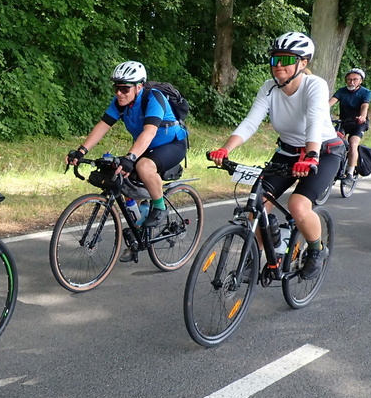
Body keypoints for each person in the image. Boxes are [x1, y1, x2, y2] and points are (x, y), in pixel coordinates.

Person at [207, 31, 343, 280]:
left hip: (323, 152)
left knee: (298, 206)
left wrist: (311, 155)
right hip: (288, 152)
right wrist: (225, 149)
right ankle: (267, 251)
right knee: (255, 206)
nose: (279, 65)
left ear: (303, 63)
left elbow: (314, 122)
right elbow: (250, 123)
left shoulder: (315, 85)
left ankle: (316, 250)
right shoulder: (269, 88)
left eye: (287, 59)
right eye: (275, 59)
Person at [65, 60, 188, 233]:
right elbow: (103, 126)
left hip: (172, 143)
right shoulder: (119, 103)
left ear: (139, 87)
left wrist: (131, 157)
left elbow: (149, 132)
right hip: (144, 146)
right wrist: (81, 151)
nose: (119, 93)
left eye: (125, 89)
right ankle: (139, 228)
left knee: (144, 166)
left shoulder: (153, 98)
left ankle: (160, 207)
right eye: (116, 88)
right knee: (122, 176)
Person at [329, 67, 371, 178]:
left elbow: (364, 106)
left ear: (360, 81)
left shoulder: (365, 92)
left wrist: (362, 117)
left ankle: (349, 173)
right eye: (349, 79)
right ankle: (334, 165)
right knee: (333, 142)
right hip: (343, 122)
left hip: (359, 123)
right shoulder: (341, 91)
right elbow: (330, 103)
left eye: (355, 79)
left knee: (353, 144)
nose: (351, 82)